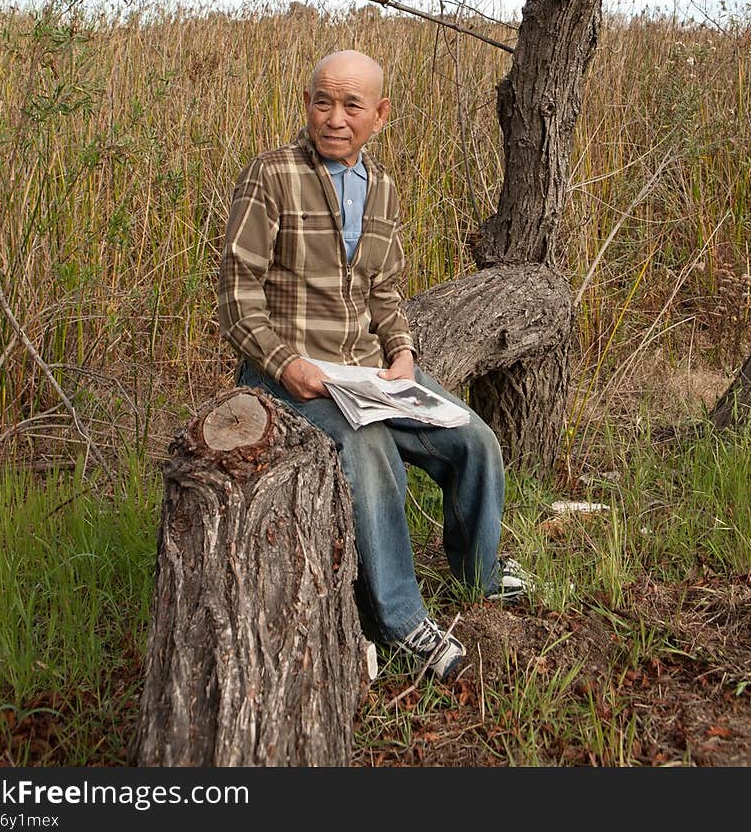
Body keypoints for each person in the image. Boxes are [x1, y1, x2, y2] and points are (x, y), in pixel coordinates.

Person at [218, 48, 529, 681]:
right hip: (289, 375)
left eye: (351, 105)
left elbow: (385, 292)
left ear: (379, 115)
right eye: (321, 101)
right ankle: (400, 621)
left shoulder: (381, 188)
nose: (334, 117)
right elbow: (236, 295)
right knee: (371, 455)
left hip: (366, 373)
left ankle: (480, 573)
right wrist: (285, 364)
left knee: (474, 439)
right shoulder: (271, 175)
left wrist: (404, 353)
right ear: (307, 103)